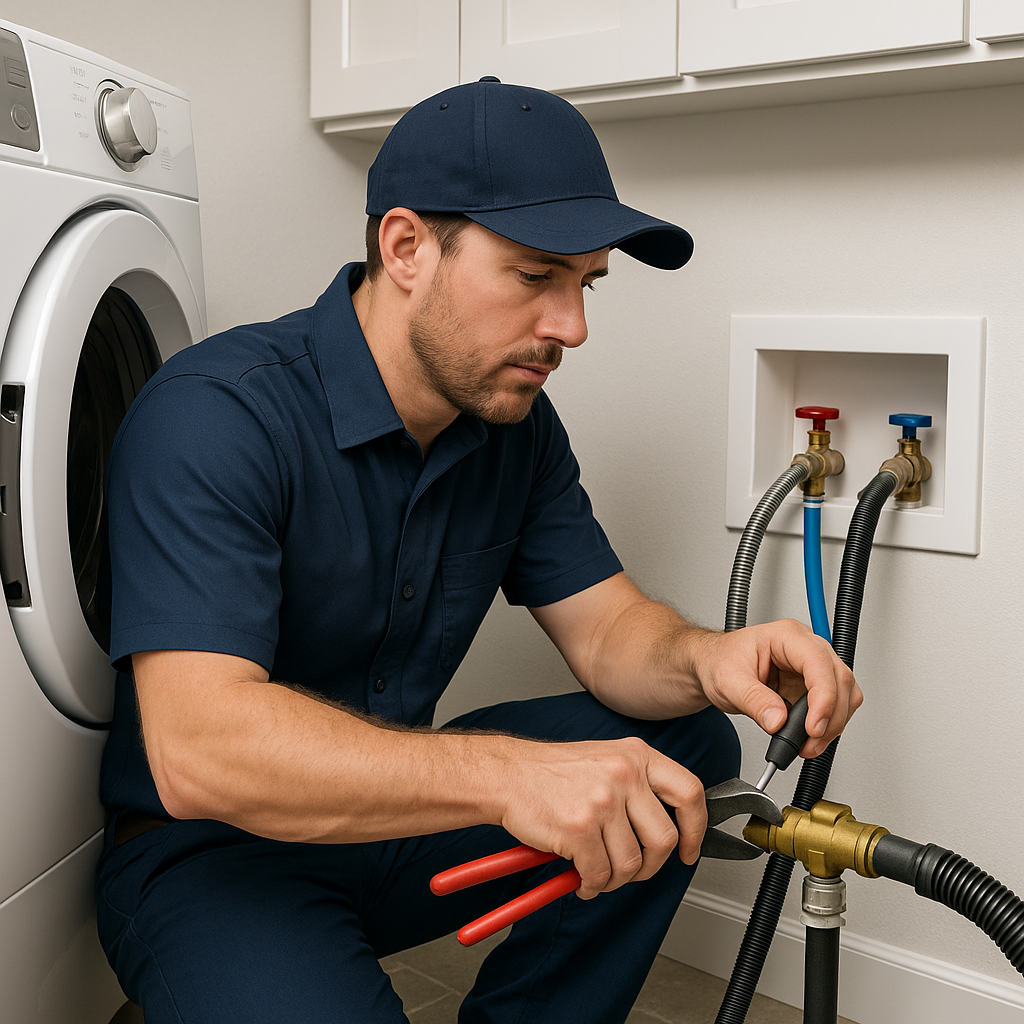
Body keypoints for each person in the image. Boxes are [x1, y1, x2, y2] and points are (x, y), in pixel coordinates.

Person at [96, 78, 860, 1024]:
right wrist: (509, 776)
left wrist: (709, 658)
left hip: (398, 823)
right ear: (407, 246)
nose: (571, 328)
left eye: (586, 285)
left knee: (685, 747)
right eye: (537, 277)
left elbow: (610, 628)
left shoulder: (515, 429)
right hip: (210, 856)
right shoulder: (216, 415)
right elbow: (200, 752)